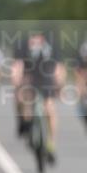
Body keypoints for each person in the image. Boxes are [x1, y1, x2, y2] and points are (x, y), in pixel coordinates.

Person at [11, 33, 64, 164]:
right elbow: (17, 66)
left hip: (46, 79)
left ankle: (51, 144)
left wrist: (60, 84)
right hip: (29, 78)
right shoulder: (24, 45)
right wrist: (16, 82)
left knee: (50, 109)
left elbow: (59, 68)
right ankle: (24, 122)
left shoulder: (51, 46)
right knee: (23, 99)